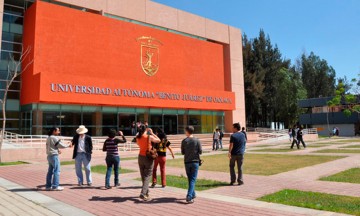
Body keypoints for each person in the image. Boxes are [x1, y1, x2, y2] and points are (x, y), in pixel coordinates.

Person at [136, 124, 161, 201]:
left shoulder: (137, 137)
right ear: (145, 129)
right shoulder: (149, 137)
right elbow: (159, 140)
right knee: (148, 175)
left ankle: (146, 193)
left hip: (140, 156)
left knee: (143, 175)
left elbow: (138, 144)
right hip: (148, 157)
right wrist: (152, 133)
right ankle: (143, 193)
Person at [181, 126, 202, 204]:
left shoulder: (184, 141)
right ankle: (189, 196)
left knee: (190, 179)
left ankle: (192, 194)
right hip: (195, 161)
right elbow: (200, 151)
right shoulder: (197, 140)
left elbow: (182, 152)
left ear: (187, 131)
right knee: (192, 179)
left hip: (187, 162)